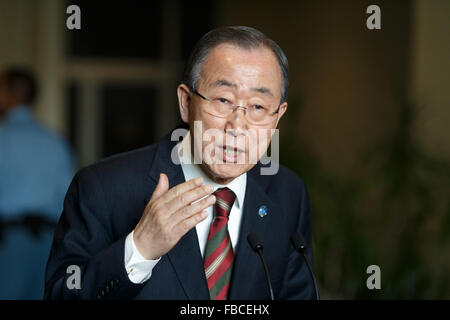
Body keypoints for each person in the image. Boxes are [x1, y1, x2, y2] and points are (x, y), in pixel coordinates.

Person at [45, 26, 314, 300]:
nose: (237, 126)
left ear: (278, 116)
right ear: (186, 102)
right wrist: (139, 249)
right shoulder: (102, 186)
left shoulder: (288, 192)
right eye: (223, 100)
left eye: (257, 107)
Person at [0, 67, 75, 299]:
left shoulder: (3, 137)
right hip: (48, 242)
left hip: (7, 243)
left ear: (10, 94)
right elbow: (67, 196)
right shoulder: (55, 142)